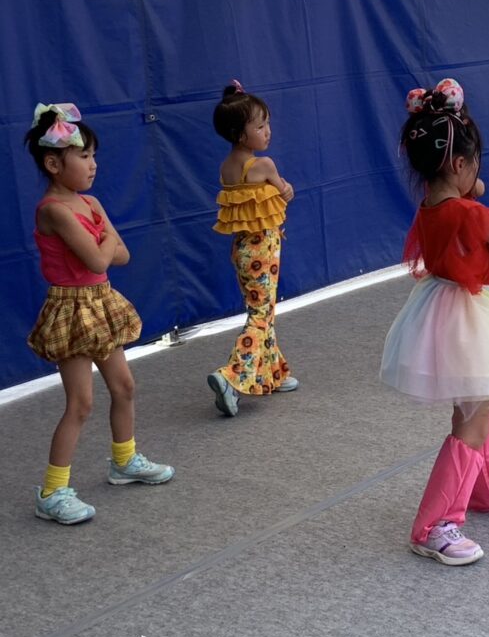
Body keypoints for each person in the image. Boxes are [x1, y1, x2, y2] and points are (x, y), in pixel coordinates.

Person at [380, 78, 489, 566]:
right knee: (472, 418)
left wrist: (469, 190)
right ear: (459, 164)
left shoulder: (430, 206)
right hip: (474, 318)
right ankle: (434, 525)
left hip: (439, 313)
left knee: (476, 406)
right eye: (475, 163)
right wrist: (488, 216)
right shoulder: (474, 214)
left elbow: (459, 211)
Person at [25, 103, 174, 525]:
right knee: (81, 402)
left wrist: (104, 243)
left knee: (124, 386)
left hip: (100, 302)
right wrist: (106, 239)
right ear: (54, 164)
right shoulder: (53, 210)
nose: (93, 164)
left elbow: (120, 256)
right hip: (71, 310)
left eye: (94, 155)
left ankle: (124, 461)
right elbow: (97, 259)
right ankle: (52, 492)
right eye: (84, 156)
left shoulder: (90, 203)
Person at [207, 81, 297, 416]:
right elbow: (284, 192)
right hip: (263, 249)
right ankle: (232, 378)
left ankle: (272, 373)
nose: (267, 131)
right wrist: (286, 188)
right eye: (260, 126)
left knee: (261, 309)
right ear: (240, 134)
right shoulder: (263, 165)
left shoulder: (227, 167)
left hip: (242, 249)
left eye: (267, 123)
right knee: (261, 314)